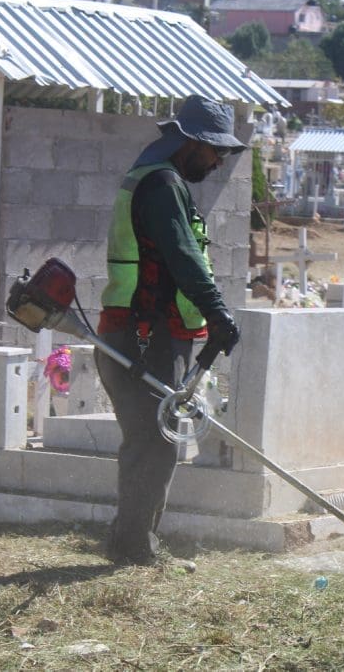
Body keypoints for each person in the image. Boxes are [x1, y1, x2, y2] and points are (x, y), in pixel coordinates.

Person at [96, 95, 245, 566]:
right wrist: (218, 313)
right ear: (192, 142)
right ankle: (134, 547)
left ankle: (129, 539)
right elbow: (183, 258)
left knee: (152, 442)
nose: (219, 160)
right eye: (215, 150)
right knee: (153, 443)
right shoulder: (162, 184)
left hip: (150, 331)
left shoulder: (159, 178)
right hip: (145, 335)